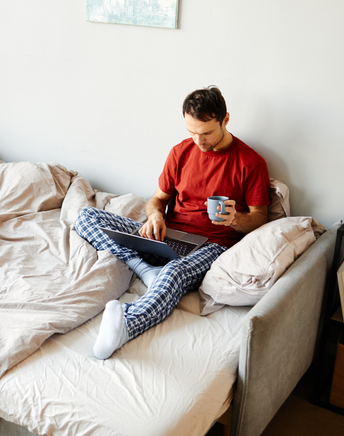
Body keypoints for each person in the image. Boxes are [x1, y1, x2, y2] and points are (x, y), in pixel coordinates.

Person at [74, 86, 271, 359]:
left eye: (206, 133)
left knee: (174, 272)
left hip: (213, 244)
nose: (198, 141)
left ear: (225, 120)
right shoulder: (180, 152)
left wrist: (236, 218)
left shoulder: (250, 162)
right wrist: (155, 216)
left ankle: (125, 327)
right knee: (87, 216)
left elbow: (260, 218)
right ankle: (143, 268)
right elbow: (157, 200)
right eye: (192, 132)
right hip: (168, 235)